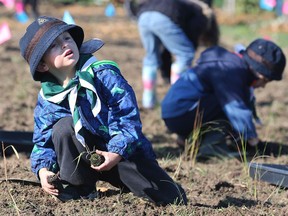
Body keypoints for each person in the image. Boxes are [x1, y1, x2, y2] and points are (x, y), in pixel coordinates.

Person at [19, 16, 187, 205]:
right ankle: (80, 187)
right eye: (53, 46)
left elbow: (127, 117)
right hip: (85, 158)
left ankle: (137, 184)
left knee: (172, 199)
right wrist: (43, 171)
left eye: (66, 38)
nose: (65, 45)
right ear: (42, 65)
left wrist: (116, 152)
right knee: (63, 127)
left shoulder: (103, 74)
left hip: (123, 154)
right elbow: (43, 141)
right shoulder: (48, 97)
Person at [161, 38, 286, 149]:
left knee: (230, 99)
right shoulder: (229, 71)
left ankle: (188, 139)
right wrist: (252, 140)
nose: (263, 86)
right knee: (230, 103)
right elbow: (236, 109)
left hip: (176, 111)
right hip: (180, 114)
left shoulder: (231, 63)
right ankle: (210, 148)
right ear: (260, 74)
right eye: (265, 81)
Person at [129, 0, 219, 109]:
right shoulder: (202, 14)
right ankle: (176, 99)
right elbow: (191, 42)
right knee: (186, 54)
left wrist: (166, 71)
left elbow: (166, 50)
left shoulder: (186, 5)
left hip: (144, 16)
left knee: (151, 58)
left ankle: (148, 101)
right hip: (164, 17)